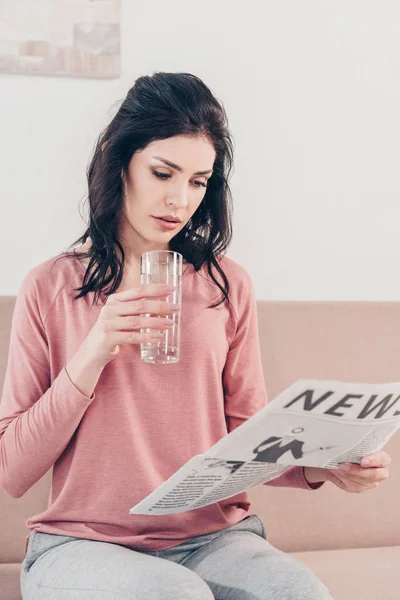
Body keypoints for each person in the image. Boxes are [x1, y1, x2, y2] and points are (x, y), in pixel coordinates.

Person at [0, 72, 391, 600]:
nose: (179, 200)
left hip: (213, 537)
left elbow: (246, 434)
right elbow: (13, 469)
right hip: (81, 544)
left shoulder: (226, 285)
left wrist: (326, 468)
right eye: (163, 173)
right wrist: (93, 353)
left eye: (198, 181)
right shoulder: (51, 286)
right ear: (121, 166)